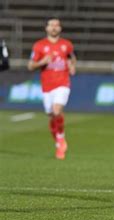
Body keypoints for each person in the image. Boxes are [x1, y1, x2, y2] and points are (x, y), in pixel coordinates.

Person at [28, 17, 76, 160]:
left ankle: (61, 138)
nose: (54, 27)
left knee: (56, 110)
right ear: (46, 28)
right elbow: (30, 66)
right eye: (51, 25)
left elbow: (72, 57)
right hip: (47, 86)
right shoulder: (39, 45)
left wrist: (72, 66)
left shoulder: (66, 44)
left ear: (60, 28)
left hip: (63, 83)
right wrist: (42, 62)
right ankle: (58, 143)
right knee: (51, 115)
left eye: (57, 25)